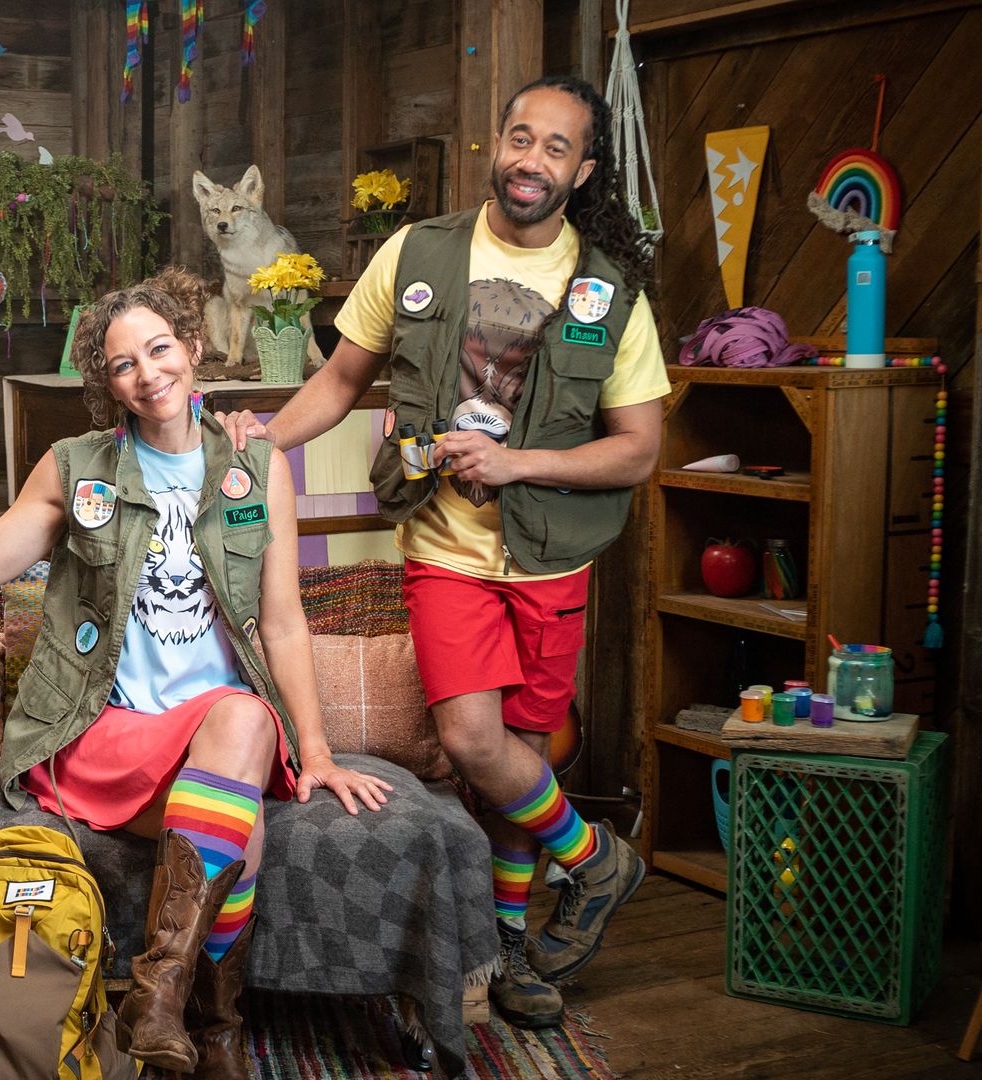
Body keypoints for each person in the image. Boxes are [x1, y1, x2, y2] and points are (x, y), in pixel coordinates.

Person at [222, 75, 667, 1029]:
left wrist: (517, 463)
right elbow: (341, 379)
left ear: (582, 169)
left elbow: (638, 447)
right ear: (494, 145)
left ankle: (511, 944)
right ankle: (595, 860)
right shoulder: (418, 252)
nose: (530, 160)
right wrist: (264, 439)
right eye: (519, 137)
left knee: (519, 757)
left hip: (553, 559)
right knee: (473, 739)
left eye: (556, 148)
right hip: (444, 550)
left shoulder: (609, 291)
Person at [0, 268, 393, 1079]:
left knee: (242, 719)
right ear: (108, 382)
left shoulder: (257, 468)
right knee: (241, 825)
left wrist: (321, 751)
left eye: (161, 349)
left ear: (194, 349)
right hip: (103, 727)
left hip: (219, 738)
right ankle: (214, 1025)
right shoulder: (76, 465)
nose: (149, 373)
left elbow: (283, 621)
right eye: (125, 364)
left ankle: (159, 998)